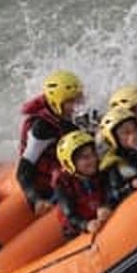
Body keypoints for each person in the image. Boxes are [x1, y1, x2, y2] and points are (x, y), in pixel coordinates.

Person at [16, 70, 85, 217]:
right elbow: (23, 171)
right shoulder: (42, 129)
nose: (77, 105)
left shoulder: (66, 113)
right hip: (48, 187)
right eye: (71, 101)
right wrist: (36, 199)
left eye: (78, 98)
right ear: (57, 102)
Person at [54, 130, 114, 239]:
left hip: (100, 217)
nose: (92, 160)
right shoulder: (63, 185)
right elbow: (71, 216)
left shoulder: (102, 172)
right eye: (85, 157)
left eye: (93, 154)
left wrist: (107, 206)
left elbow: (111, 191)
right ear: (70, 163)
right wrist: (86, 225)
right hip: (77, 231)